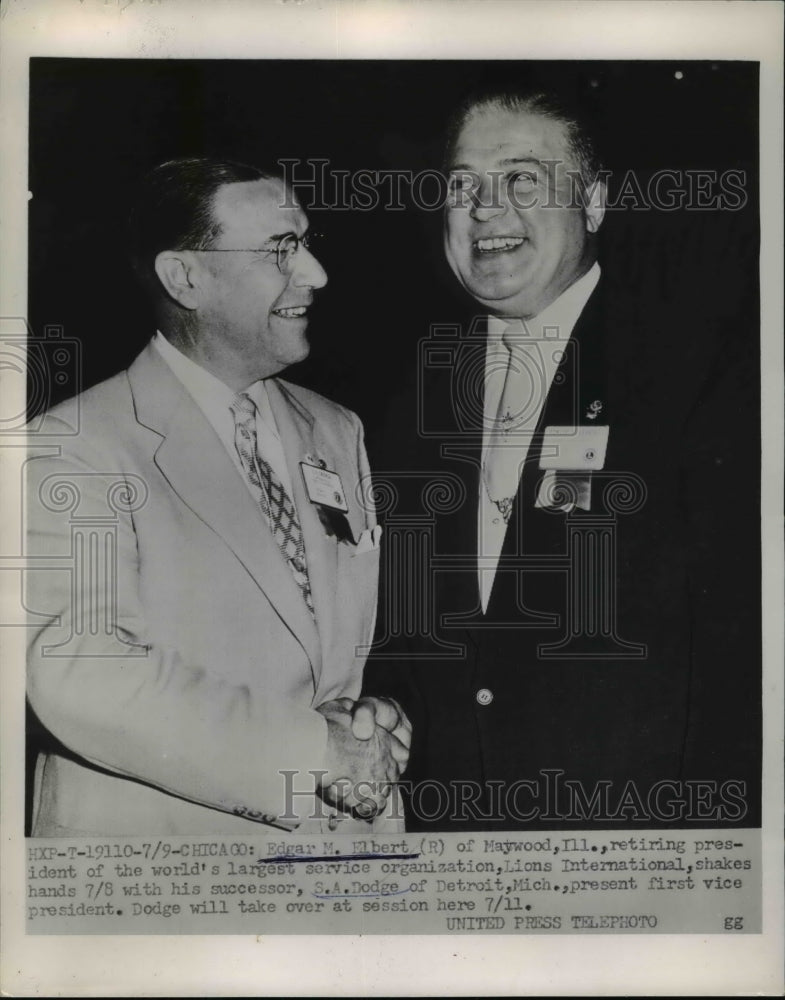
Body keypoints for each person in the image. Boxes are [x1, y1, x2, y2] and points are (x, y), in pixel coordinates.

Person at [363, 86, 760, 831]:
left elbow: (741, 646)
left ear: (595, 202)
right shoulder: (407, 402)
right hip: (453, 852)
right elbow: (411, 632)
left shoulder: (694, 370)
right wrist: (388, 704)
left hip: (632, 853)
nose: (485, 208)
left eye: (520, 178)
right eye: (462, 186)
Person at [25, 157, 409, 837]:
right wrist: (309, 750)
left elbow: (319, 660)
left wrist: (370, 722)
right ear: (186, 277)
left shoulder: (336, 429)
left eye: (308, 246)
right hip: (162, 881)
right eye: (281, 250)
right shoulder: (72, 447)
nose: (315, 275)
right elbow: (79, 671)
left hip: (337, 870)